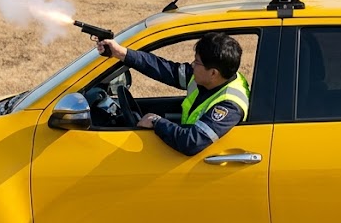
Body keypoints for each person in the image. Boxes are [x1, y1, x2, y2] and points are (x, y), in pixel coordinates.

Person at [96, 32, 250, 156]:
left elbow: (192, 142)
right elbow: (164, 69)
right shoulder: (212, 78)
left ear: (213, 73)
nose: (192, 65)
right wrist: (122, 53)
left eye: (196, 62)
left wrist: (157, 122)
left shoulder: (229, 105)